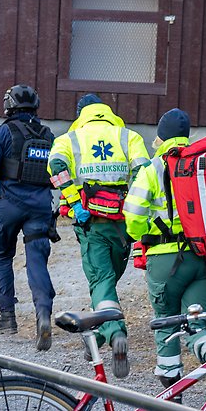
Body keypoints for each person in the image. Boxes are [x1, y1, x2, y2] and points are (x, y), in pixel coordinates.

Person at [123, 108, 206, 398]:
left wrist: (143, 235)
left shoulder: (152, 168)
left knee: (167, 322)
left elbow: (131, 214)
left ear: (160, 137)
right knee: (197, 321)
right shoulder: (204, 163)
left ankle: (173, 395)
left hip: (166, 260)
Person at [47, 93, 149, 378]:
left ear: (80, 113)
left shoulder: (69, 139)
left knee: (101, 281)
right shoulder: (129, 137)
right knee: (108, 280)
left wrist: (74, 201)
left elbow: (55, 168)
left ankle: (116, 332)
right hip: (124, 224)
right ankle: (101, 335)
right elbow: (143, 173)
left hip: (92, 222)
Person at [0, 84, 57, 351]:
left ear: (8, 107)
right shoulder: (49, 135)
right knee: (37, 262)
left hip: (10, 206)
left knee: (1, 255)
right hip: (40, 208)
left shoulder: (2, 133)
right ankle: (43, 316)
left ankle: (7, 319)